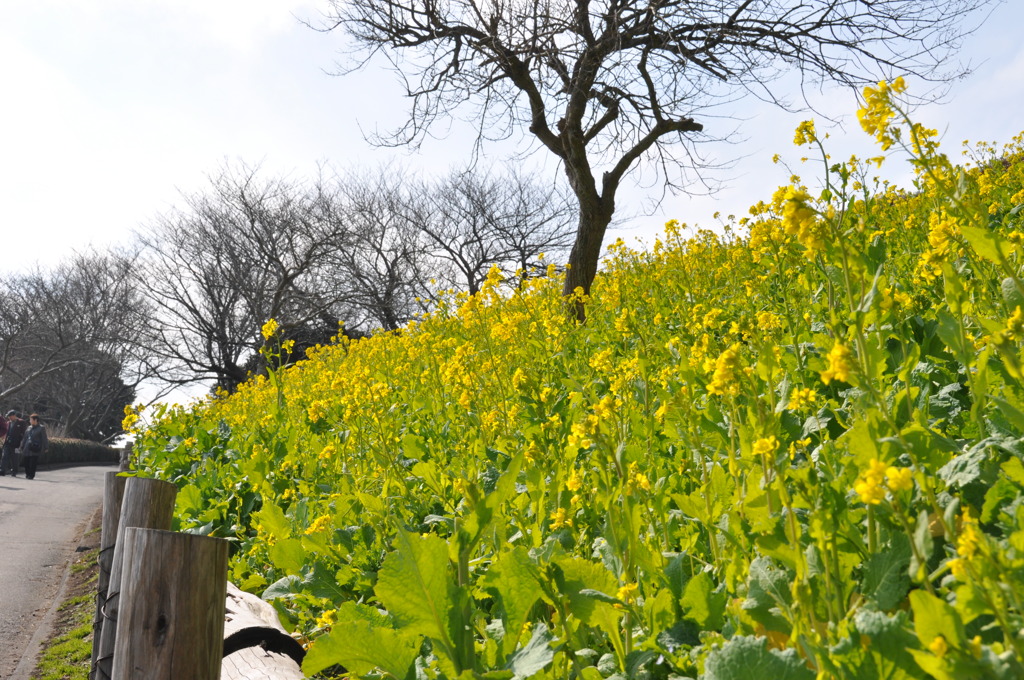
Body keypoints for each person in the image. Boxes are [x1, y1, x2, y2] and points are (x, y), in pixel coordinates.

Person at [21, 414, 47, 480]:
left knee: (33, 463)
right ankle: (27, 474)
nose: (30, 421)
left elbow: (44, 438)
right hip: (27, 447)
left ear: (35, 420)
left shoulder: (41, 428)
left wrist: (46, 447)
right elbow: (25, 437)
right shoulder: (29, 427)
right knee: (26, 462)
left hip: (35, 447)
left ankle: (31, 475)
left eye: (31, 419)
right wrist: (22, 445)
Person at [1, 410, 26, 476]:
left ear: (14, 415)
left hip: (17, 444)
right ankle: (2, 470)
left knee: (15, 458)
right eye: (8, 416)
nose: (9, 418)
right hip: (7, 442)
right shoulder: (8, 423)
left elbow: (24, 434)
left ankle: (14, 471)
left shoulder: (21, 422)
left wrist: (21, 443)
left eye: (10, 416)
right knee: (4, 456)